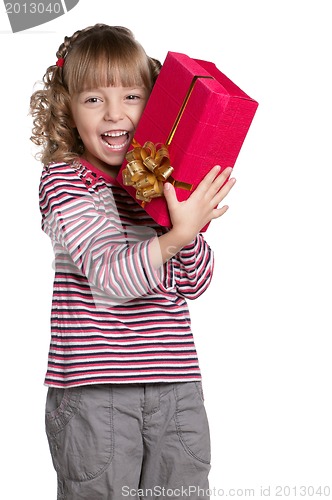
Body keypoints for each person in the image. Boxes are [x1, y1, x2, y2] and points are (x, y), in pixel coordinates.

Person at [30, 23, 236, 500]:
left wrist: (183, 227)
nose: (114, 113)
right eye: (93, 99)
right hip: (96, 392)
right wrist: (175, 235)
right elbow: (108, 275)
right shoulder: (67, 183)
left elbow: (195, 282)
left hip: (176, 386)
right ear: (68, 110)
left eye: (131, 96)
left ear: (155, 104)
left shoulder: (157, 178)